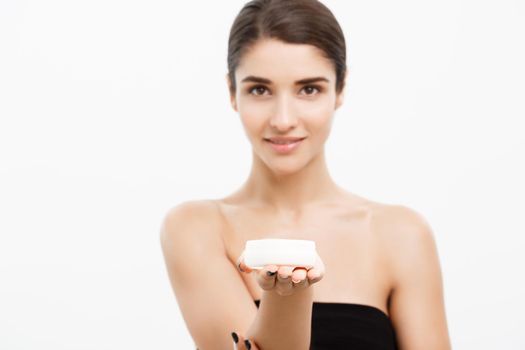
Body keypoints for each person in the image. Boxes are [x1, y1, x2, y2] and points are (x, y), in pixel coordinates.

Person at [160, 0, 452, 349]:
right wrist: (287, 297)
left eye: (309, 89)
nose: (283, 119)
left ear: (340, 90)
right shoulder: (197, 228)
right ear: (232, 92)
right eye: (260, 89)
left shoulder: (402, 234)